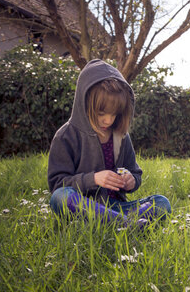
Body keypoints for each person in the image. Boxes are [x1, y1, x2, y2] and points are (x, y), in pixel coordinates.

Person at [48, 59, 171, 227]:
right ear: (84, 104)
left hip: (117, 207)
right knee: (60, 197)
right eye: (101, 113)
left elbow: (135, 172)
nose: (108, 120)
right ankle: (127, 224)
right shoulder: (66, 136)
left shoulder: (121, 136)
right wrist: (94, 179)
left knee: (161, 203)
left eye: (114, 114)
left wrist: (131, 181)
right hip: (84, 207)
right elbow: (57, 184)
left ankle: (119, 223)